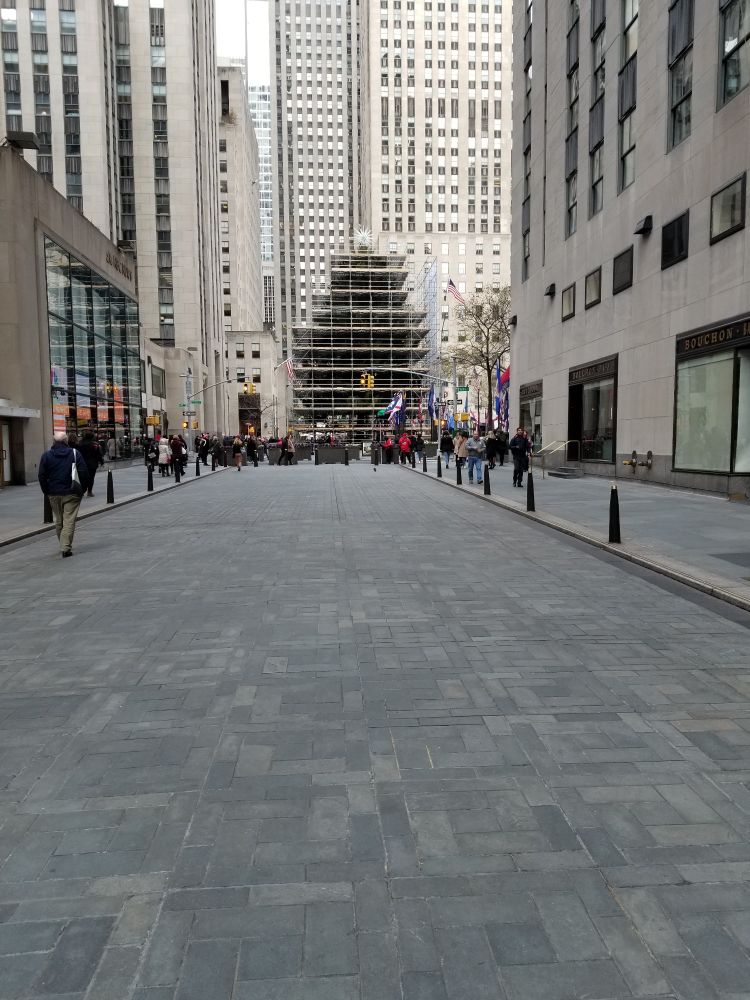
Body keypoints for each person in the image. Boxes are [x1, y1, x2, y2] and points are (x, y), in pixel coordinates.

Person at [38, 431, 90, 558]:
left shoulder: (46, 455)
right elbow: (84, 473)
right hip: (72, 492)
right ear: (66, 441)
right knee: (69, 520)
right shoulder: (74, 453)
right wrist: (82, 490)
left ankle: (63, 543)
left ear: (54, 442)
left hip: (54, 492)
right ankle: (65, 547)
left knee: (59, 520)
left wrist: (46, 491)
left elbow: (41, 476)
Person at [78, 431, 104, 497]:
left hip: (82, 463)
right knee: (91, 477)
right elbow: (99, 454)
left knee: (82, 478)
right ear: (92, 437)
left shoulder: (80, 444)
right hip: (92, 464)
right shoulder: (95, 445)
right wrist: (101, 462)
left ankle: (82, 490)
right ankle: (89, 491)